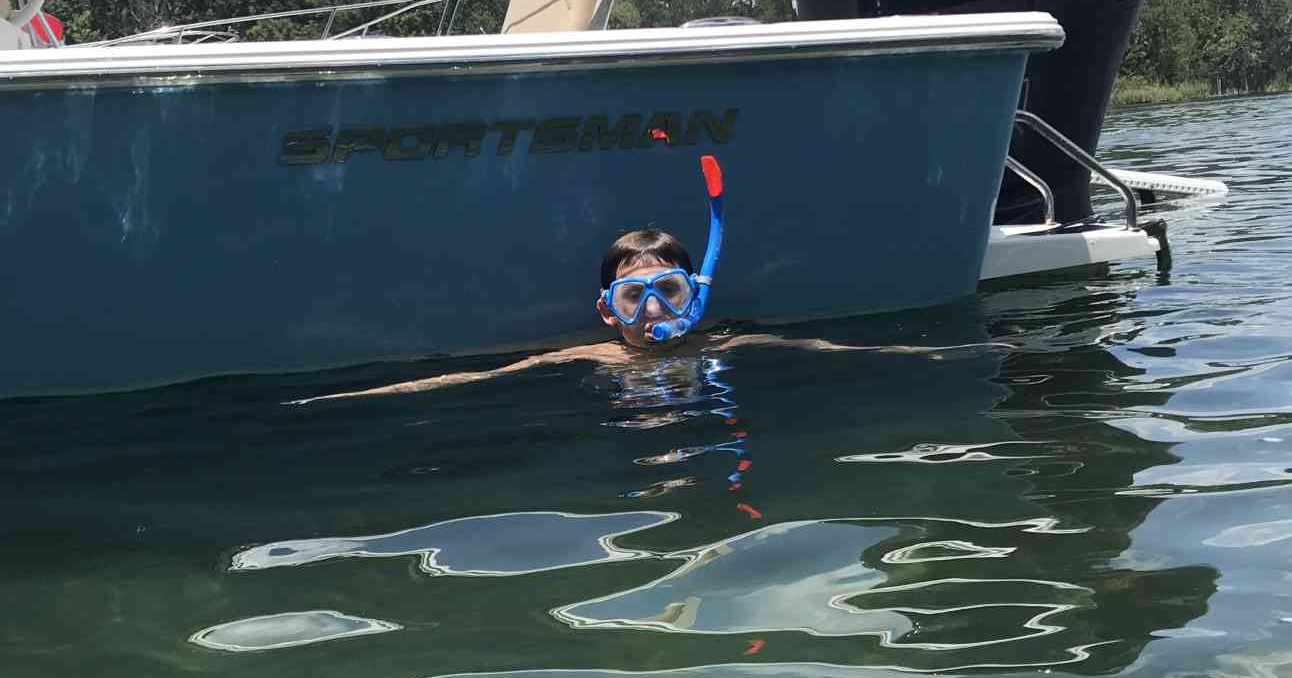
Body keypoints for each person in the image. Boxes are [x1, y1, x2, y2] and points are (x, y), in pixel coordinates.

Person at [291, 224, 986, 406]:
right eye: (633, 297)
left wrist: (922, 356)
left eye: (669, 292)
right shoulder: (594, 359)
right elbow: (471, 380)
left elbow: (829, 352)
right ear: (607, 311)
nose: (652, 310)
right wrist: (378, 389)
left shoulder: (726, 344)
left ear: (695, 297)